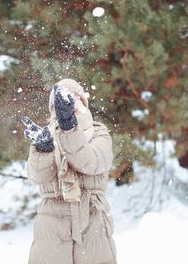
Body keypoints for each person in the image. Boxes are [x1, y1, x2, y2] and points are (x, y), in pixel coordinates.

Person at [22, 78, 117, 264]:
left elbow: (91, 163)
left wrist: (70, 129)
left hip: (92, 217)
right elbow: (36, 176)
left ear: (84, 101)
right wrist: (43, 149)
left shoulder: (99, 132)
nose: (69, 103)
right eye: (62, 99)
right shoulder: (46, 136)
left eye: (73, 98)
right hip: (51, 222)